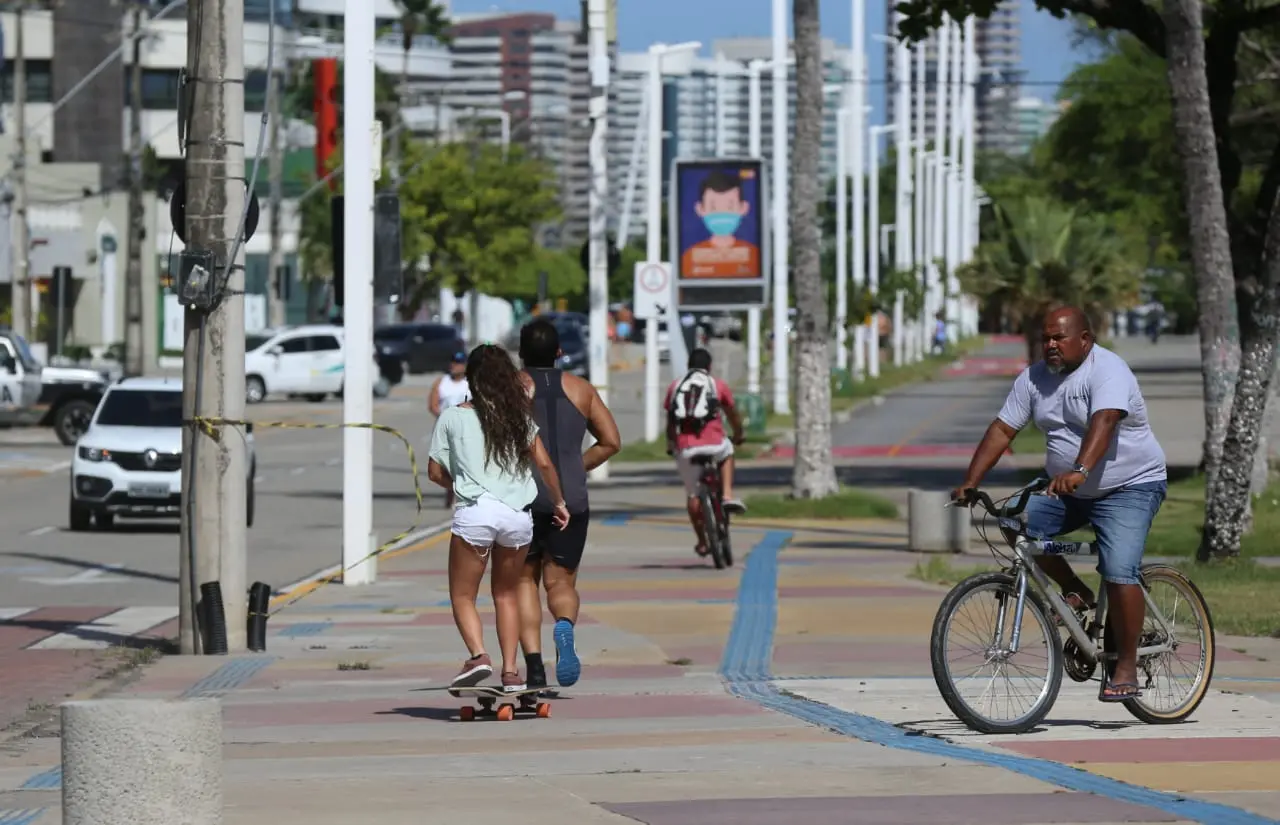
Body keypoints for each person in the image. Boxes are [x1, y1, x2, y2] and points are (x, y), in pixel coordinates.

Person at [953, 306, 1167, 703]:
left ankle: (1126, 665)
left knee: (1119, 567)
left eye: (1059, 338)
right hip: (1068, 489)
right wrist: (971, 482)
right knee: (1015, 520)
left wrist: (1081, 469)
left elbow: (1104, 420)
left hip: (1130, 487)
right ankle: (1075, 589)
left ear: (1084, 339)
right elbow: (1003, 429)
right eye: (1045, 338)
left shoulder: (1108, 370)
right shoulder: (1033, 379)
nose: (1050, 345)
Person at [427, 344, 571, 692]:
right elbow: (546, 465)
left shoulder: (452, 416)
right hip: (517, 517)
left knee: (463, 596)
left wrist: (460, 484)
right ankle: (511, 673)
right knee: (506, 594)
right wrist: (559, 502)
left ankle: (478, 656)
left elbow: (434, 472)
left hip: (476, 514)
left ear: (471, 378)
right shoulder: (519, 418)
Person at [514, 319, 622, 689]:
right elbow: (610, 441)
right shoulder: (581, 389)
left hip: (521, 498)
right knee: (560, 583)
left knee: (523, 581)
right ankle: (563, 626)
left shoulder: (510, 390)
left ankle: (534, 666)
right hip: (571, 498)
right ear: (560, 353)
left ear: (521, 354)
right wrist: (575, 466)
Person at [665, 348, 747, 557]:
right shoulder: (717, 385)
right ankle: (727, 495)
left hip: (686, 449)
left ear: (688, 366)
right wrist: (738, 434)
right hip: (715, 445)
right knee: (727, 452)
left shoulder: (675, 386)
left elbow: (670, 422)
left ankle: (702, 541)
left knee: (693, 495)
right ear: (709, 366)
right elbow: (732, 414)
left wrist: (671, 444)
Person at [680, 168, 761, 279]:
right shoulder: (688, 257)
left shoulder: (754, 255)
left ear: (744, 208)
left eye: (729, 206)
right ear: (700, 209)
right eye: (713, 207)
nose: (722, 213)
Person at [429, 351, 471, 508]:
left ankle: (460, 493)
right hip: (446, 428)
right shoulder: (442, 382)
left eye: (459, 363)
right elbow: (433, 405)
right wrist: (446, 418)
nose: (454, 365)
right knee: (445, 466)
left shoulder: (470, 383)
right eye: (453, 362)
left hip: (466, 429)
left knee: (462, 464)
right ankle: (451, 492)